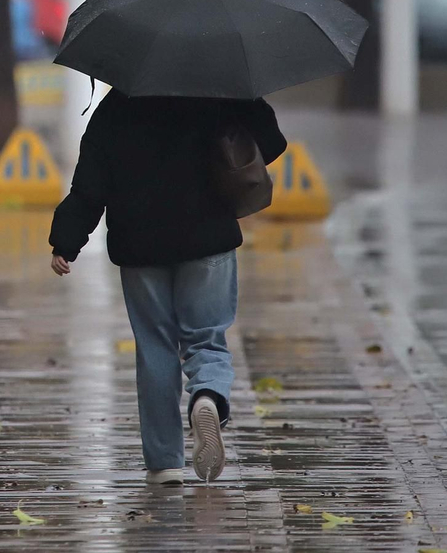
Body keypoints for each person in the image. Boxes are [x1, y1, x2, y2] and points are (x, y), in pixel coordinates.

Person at [49, 90, 286, 485]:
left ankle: (164, 464)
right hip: (208, 237)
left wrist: (66, 242)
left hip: (140, 247)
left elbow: (90, 185)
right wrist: (246, 96)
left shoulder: (115, 108)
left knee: (155, 346)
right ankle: (207, 396)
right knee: (207, 337)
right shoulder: (217, 93)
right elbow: (271, 143)